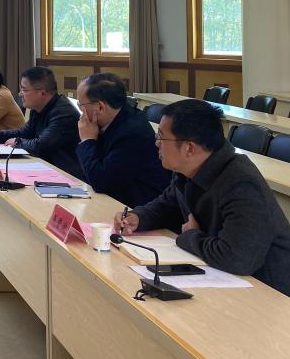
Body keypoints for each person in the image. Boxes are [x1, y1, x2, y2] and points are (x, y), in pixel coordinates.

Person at [114, 99, 290, 296]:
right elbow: (167, 206)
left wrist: (190, 236)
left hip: (270, 291)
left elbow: (237, 258)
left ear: (189, 148)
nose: (156, 144)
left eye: (161, 138)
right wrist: (138, 217)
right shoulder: (188, 169)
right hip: (224, 277)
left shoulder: (241, 183)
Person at [0, 66, 83, 179]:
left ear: (42, 93)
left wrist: (18, 141)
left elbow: (41, 145)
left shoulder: (63, 113)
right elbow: (23, 132)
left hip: (67, 176)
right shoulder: (38, 108)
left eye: (24, 90)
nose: (20, 94)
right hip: (46, 168)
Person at [75, 73, 170, 207]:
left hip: (138, 207)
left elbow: (100, 181)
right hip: (116, 198)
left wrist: (87, 140)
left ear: (100, 107)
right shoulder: (108, 120)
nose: (81, 111)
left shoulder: (132, 133)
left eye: (81, 105)